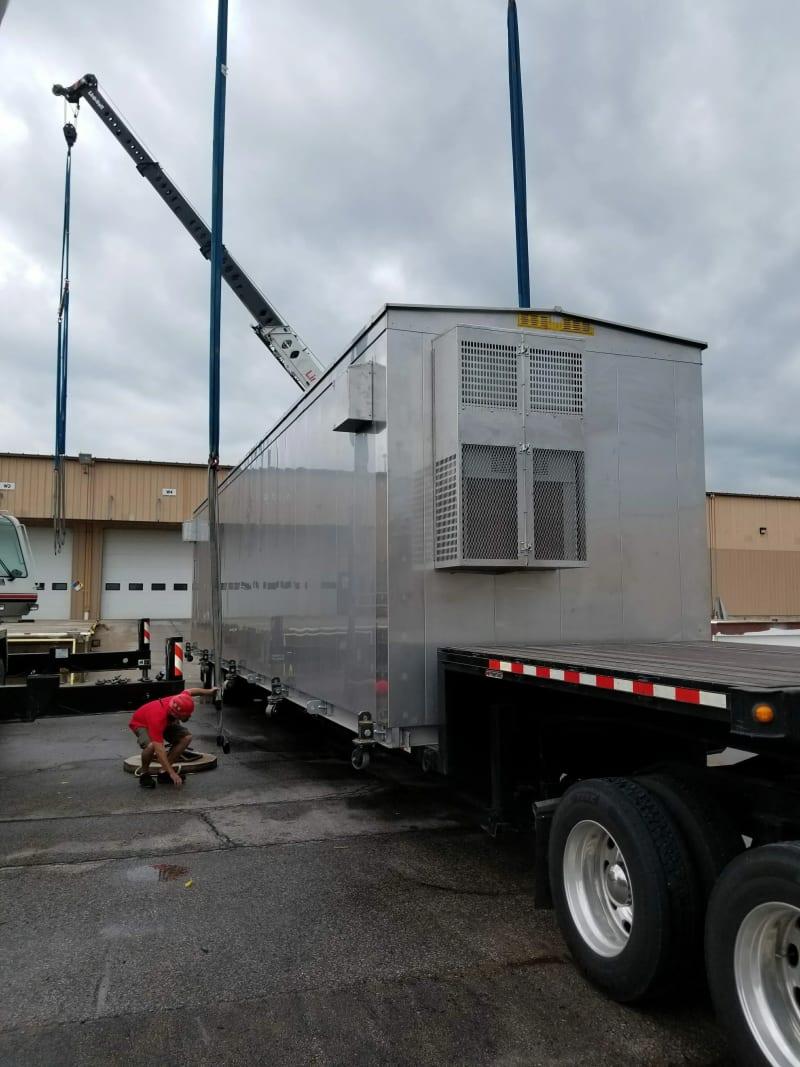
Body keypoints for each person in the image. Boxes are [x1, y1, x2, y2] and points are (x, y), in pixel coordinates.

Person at [129, 687, 218, 789]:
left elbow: (190, 691)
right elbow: (160, 750)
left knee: (186, 737)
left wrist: (209, 692)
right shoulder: (157, 718)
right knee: (151, 746)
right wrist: (172, 773)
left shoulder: (180, 699)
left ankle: (163, 773)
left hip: (166, 720)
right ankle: (144, 774)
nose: (188, 717)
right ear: (176, 714)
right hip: (141, 723)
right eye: (185, 716)